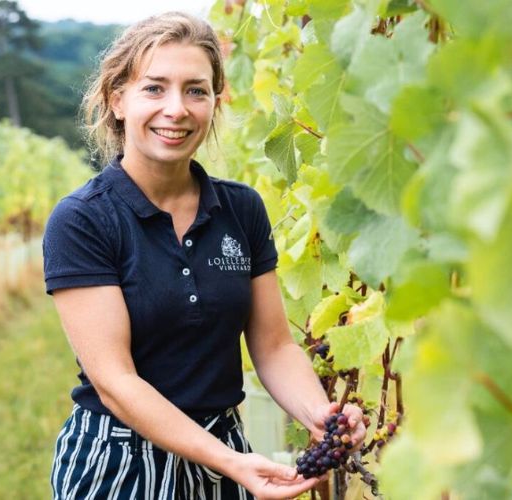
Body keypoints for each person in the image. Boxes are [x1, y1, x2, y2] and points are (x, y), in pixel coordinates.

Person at [43, 11, 366, 500]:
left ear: (215, 101)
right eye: (154, 88)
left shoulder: (242, 209)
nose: (177, 108)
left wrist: (319, 415)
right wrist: (228, 461)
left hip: (221, 455)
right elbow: (116, 382)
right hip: (119, 462)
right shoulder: (84, 220)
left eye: (196, 90)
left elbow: (275, 346)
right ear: (118, 101)